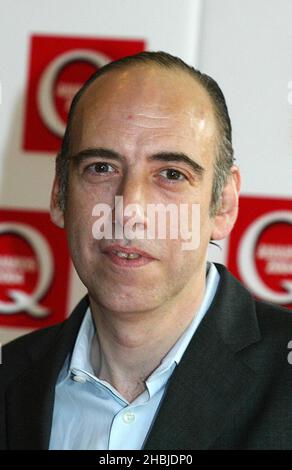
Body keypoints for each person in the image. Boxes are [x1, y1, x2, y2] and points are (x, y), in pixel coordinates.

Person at [0, 51, 291, 451]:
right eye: (101, 167)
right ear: (59, 194)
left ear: (222, 206)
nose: (129, 210)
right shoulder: (10, 379)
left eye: (171, 174)